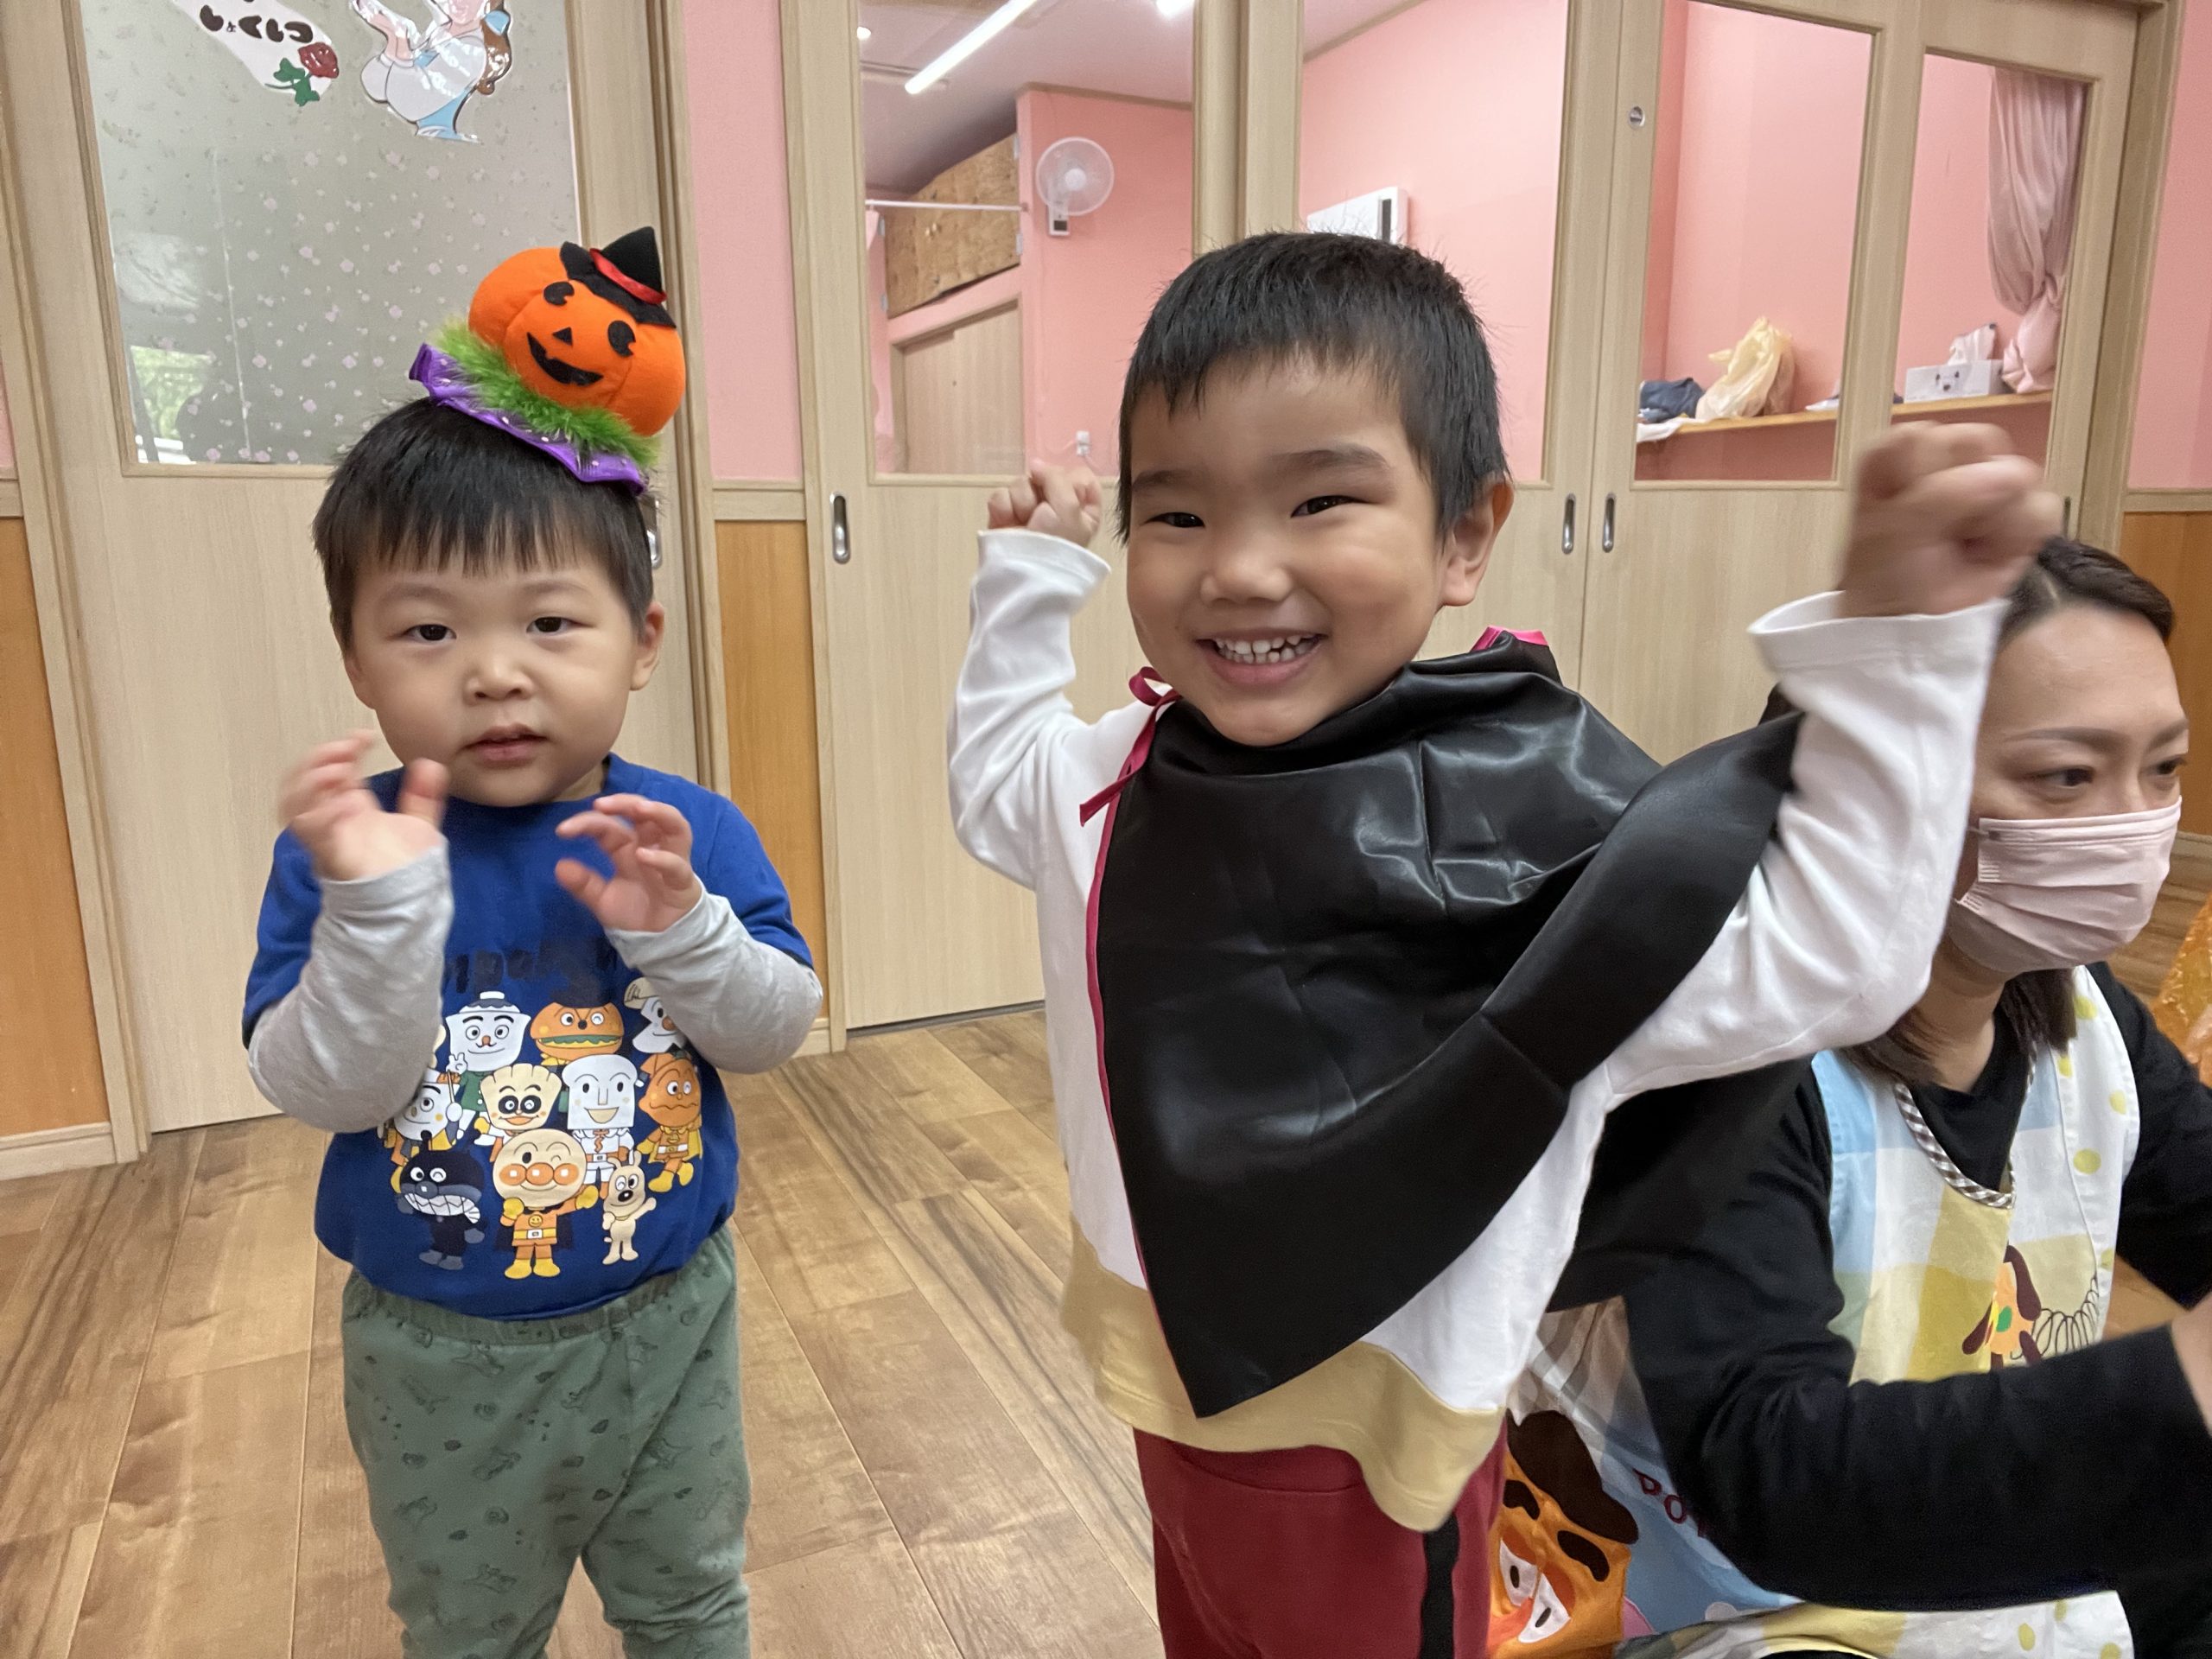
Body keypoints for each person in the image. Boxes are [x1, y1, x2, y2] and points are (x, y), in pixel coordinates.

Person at [945, 231, 2055, 1658]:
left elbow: (1834, 960)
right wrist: (1031, 577)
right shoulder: (1111, 778)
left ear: (1465, 535)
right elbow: (995, 778)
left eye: (1321, 499)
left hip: (1376, 1464)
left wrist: (1900, 658)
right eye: (1175, 515)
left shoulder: (1539, 826)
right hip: (1162, 1398)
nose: (1240, 568)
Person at [243, 228, 818, 1659]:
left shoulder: (681, 833)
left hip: (672, 1315)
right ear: (357, 659)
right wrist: (379, 918)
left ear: (642, 639)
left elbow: (773, 1031)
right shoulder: (350, 853)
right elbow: (324, 1089)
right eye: (429, 632)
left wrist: (684, 932)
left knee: (692, 1605)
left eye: (552, 621)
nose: (496, 671)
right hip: (438, 1351)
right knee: (470, 1630)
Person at [1506, 538, 2212, 1656]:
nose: (2131, 825)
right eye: (2067, 776)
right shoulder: (1735, 1048)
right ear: (1875, 788)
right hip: (1707, 1609)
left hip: (1952, 1555)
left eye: (2164, 769)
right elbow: (1767, 1471)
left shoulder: (2082, 1017)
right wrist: (2177, 1393)